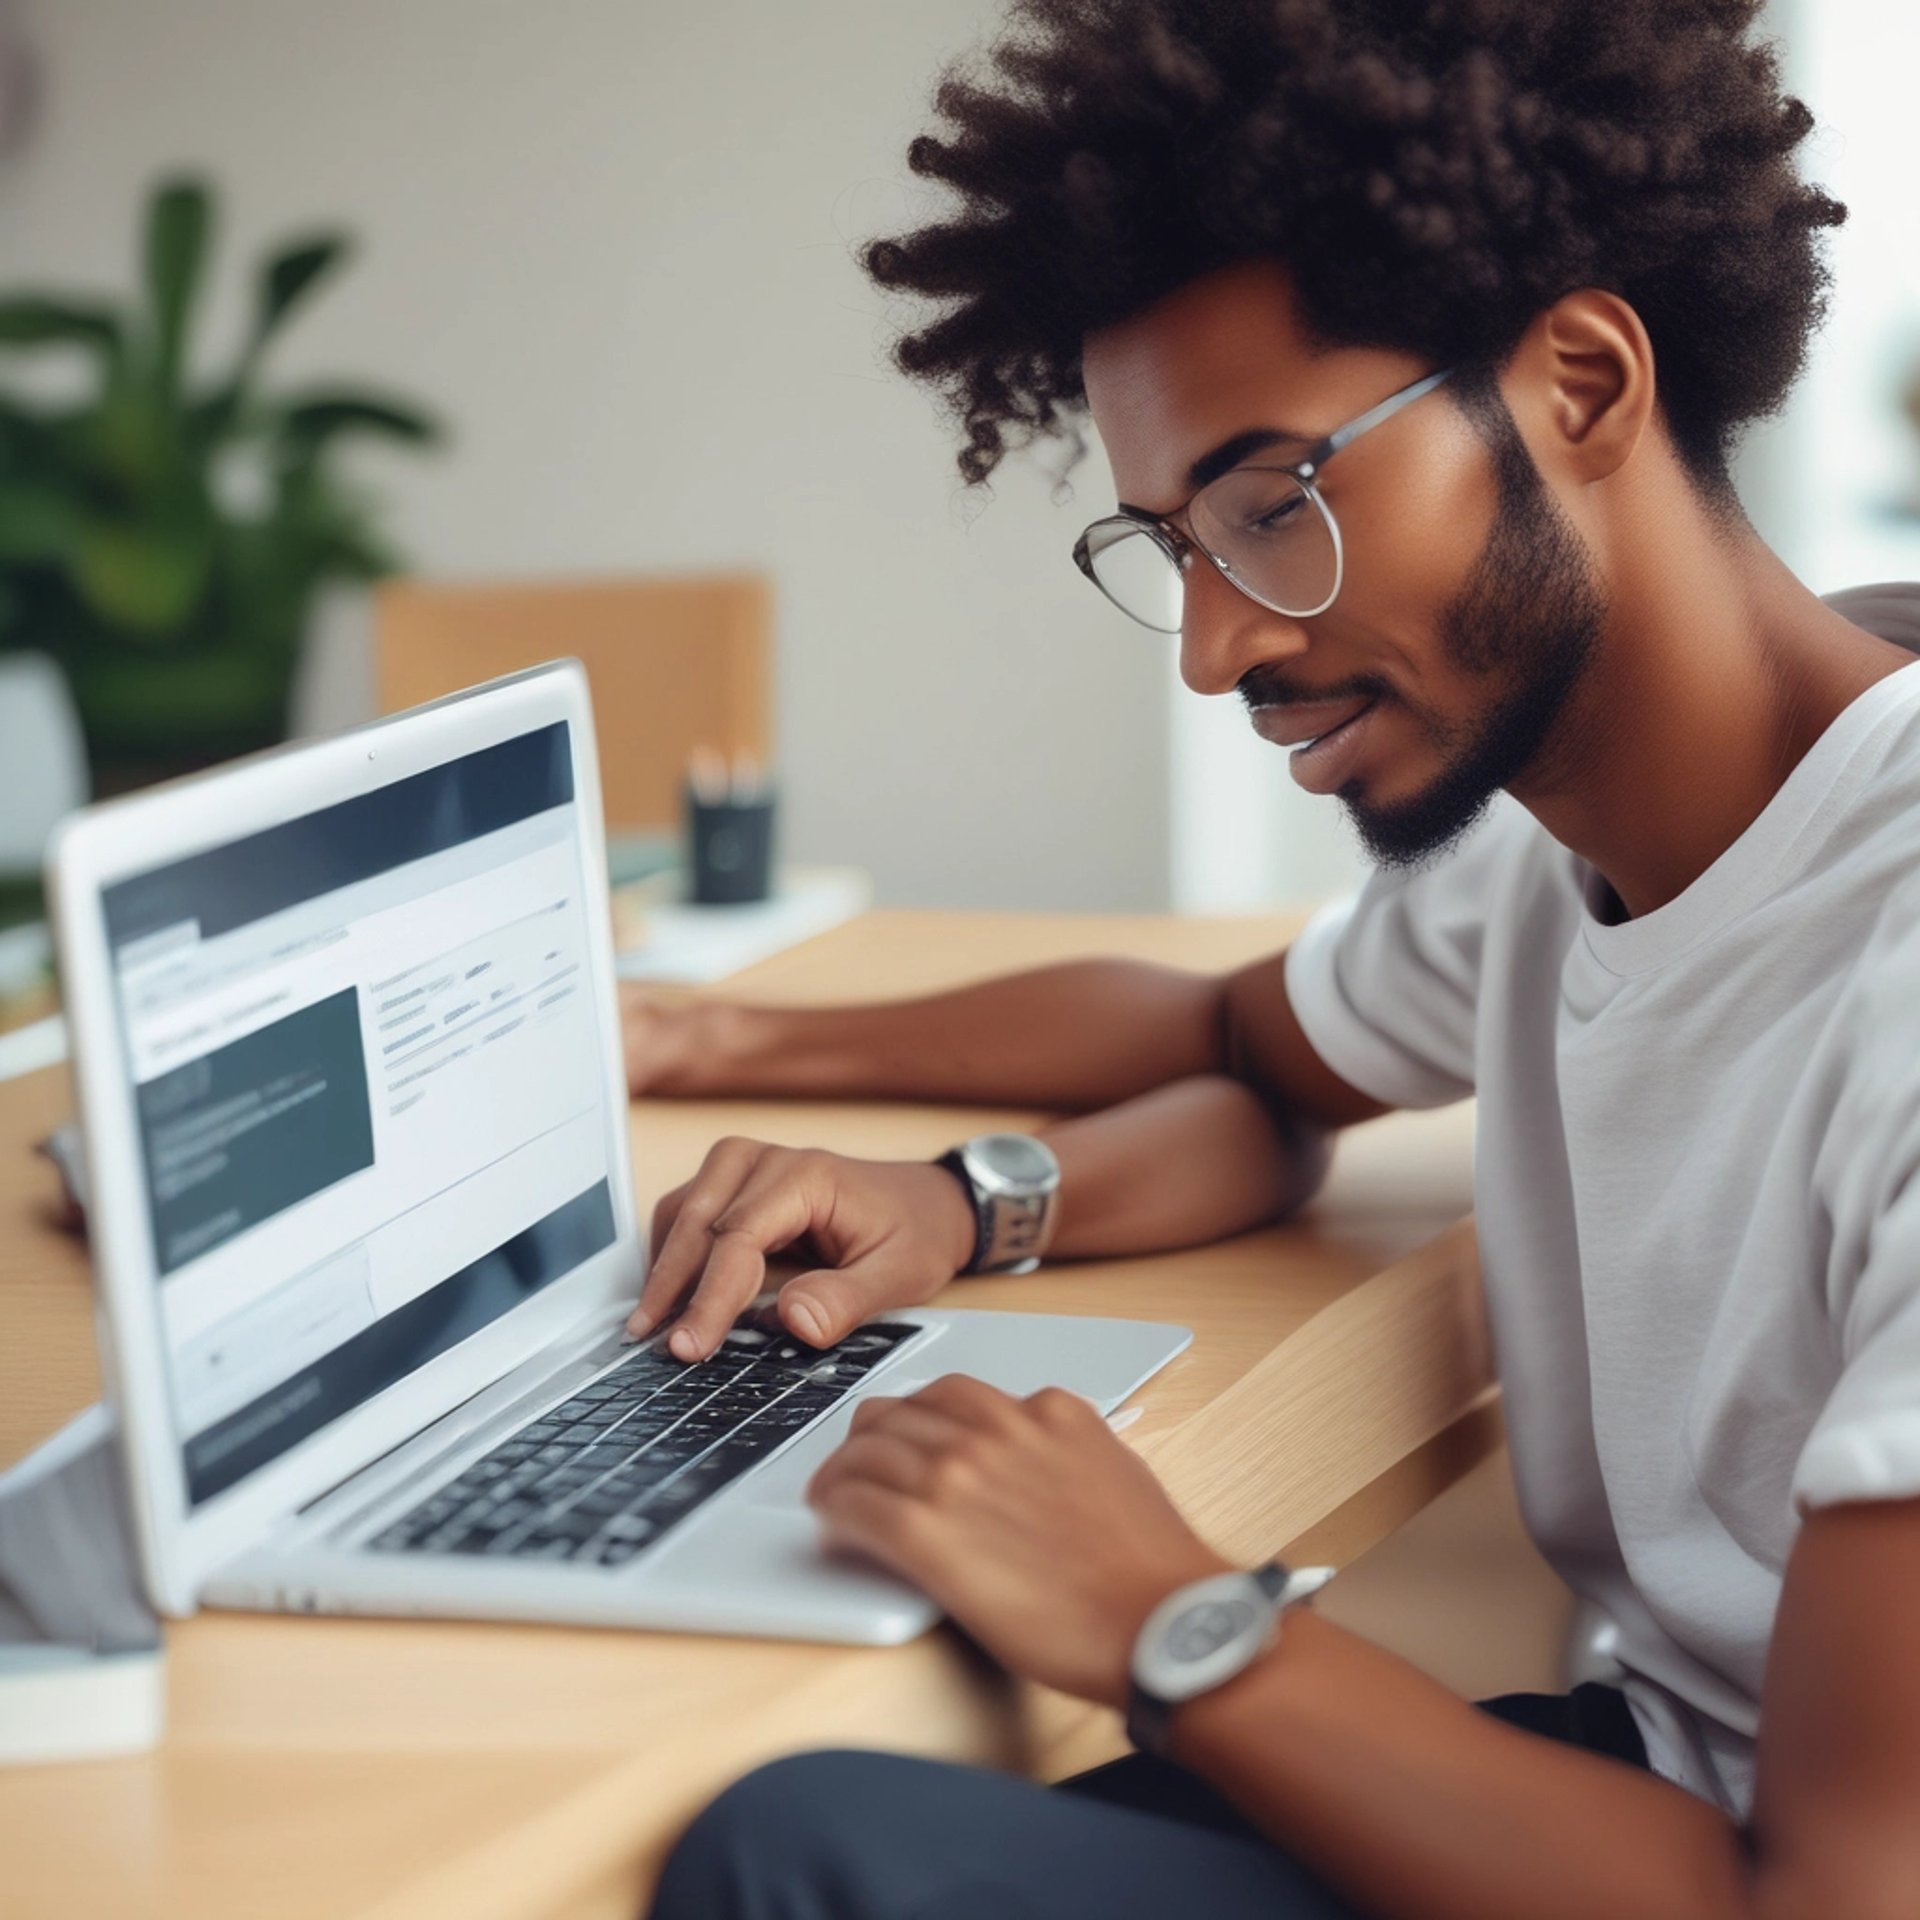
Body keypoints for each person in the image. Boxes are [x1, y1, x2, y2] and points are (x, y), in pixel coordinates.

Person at [632, 3, 1920, 1914]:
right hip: (1658, 1785)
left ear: (1580, 382)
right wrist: (796, 1094)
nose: (1214, 648)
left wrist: (1175, 1621)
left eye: (1272, 506)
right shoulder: (1586, 834)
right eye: (1174, 542)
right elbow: (1243, 1048)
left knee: (796, 1855)